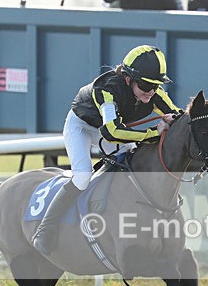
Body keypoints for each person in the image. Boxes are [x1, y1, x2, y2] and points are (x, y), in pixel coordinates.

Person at [31, 45, 183, 255]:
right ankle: (45, 230)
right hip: (82, 128)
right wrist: (153, 134)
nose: (150, 91)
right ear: (128, 79)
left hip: (111, 130)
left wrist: (175, 122)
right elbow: (112, 131)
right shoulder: (107, 89)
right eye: (146, 84)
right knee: (83, 176)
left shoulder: (153, 92)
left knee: (133, 164)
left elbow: (177, 116)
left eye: (156, 86)